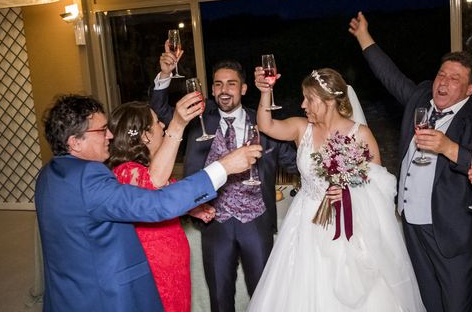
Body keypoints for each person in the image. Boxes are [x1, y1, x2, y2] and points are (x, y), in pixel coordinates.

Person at [35, 94, 261, 312]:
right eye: (102, 130)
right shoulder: (89, 176)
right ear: (75, 142)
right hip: (106, 298)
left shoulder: (49, 175)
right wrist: (224, 167)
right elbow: (157, 203)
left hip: (70, 296)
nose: (110, 136)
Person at [349, 11, 472, 312]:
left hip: (452, 231)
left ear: (470, 89)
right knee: (427, 302)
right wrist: (363, 37)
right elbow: (390, 76)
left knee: (458, 305)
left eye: (455, 79)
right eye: (441, 75)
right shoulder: (421, 98)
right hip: (412, 224)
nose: (443, 83)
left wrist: (449, 148)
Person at [247, 67, 426, 311]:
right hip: (305, 222)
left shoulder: (360, 134)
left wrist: (350, 193)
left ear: (329, 101)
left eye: (309, 98)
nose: (302, 105)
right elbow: (266, 126)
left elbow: (381, 184)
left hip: (349, 223)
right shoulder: (301, 128)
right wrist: (265, 92)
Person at [150, 49, 297, 312]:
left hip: (256, 221)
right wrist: (164, 75)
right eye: (218, 84)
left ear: (243, 88)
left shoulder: (263, 121)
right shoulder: (198, 121)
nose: (224, 90)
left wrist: (328, 166)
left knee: (266, 296)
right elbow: (161, 110)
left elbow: (294, 162)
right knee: (220, 297)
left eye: (231, 84)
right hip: (214, 222)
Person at [107, 94, 215, 312]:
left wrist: (189, 208)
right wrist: (177, 124)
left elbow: (165, 197)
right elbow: (154, 184)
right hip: (154, 271)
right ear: (145, 135)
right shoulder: (126, 172)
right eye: (157, 121)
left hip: (175, 269)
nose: (162, 124)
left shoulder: (150, 167)